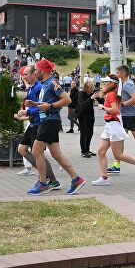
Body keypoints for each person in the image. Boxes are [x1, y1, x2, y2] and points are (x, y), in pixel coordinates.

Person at [25, 58, 86, 195]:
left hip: (50, 121)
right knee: (56, 154)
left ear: (42, 70)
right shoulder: (45, 84)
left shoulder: (52, 83)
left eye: (36, 70)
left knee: (36, 151)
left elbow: (67, 99)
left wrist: (51, 106)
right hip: (47, 121)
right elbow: (46, 104)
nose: (34, 72)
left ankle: (42, 183)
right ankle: (77, 179)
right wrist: (34, 104)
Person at [92, 74, 135, 186]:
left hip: (114, 126)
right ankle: (104, 178)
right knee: (101, 152)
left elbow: (114, 110)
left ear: (112, 84)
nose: (104, 84)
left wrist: (103, 107)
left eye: (106, 82)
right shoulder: (111, 94)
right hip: (109, 125)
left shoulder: (112, 94)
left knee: (118, 155)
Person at [14, 65, 60, 189]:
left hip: (40, 123)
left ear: (34, 74)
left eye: (26, 74)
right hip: (33, 123)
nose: (24, 77)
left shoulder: (39, 87)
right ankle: (45, 176)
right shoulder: (31, 87)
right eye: (23, 75)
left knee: (38, 154)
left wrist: (27, 113)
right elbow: (31, 105)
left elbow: (40, 106)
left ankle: (51, 180)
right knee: (22, 149)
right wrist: (24, 114)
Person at [74, 80, 101, 157]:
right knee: (84, 133)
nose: (93, 89)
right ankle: (83, 151)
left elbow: (102, 102)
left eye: (93, 87)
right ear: (86, 88)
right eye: (91, 87)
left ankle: (87, 149)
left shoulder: (93, 92)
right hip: (82, 116)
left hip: (90, 115)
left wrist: (99, 97)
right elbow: (82, 105)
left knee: (90, 133)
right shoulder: (81, 94)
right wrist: (91, 98)